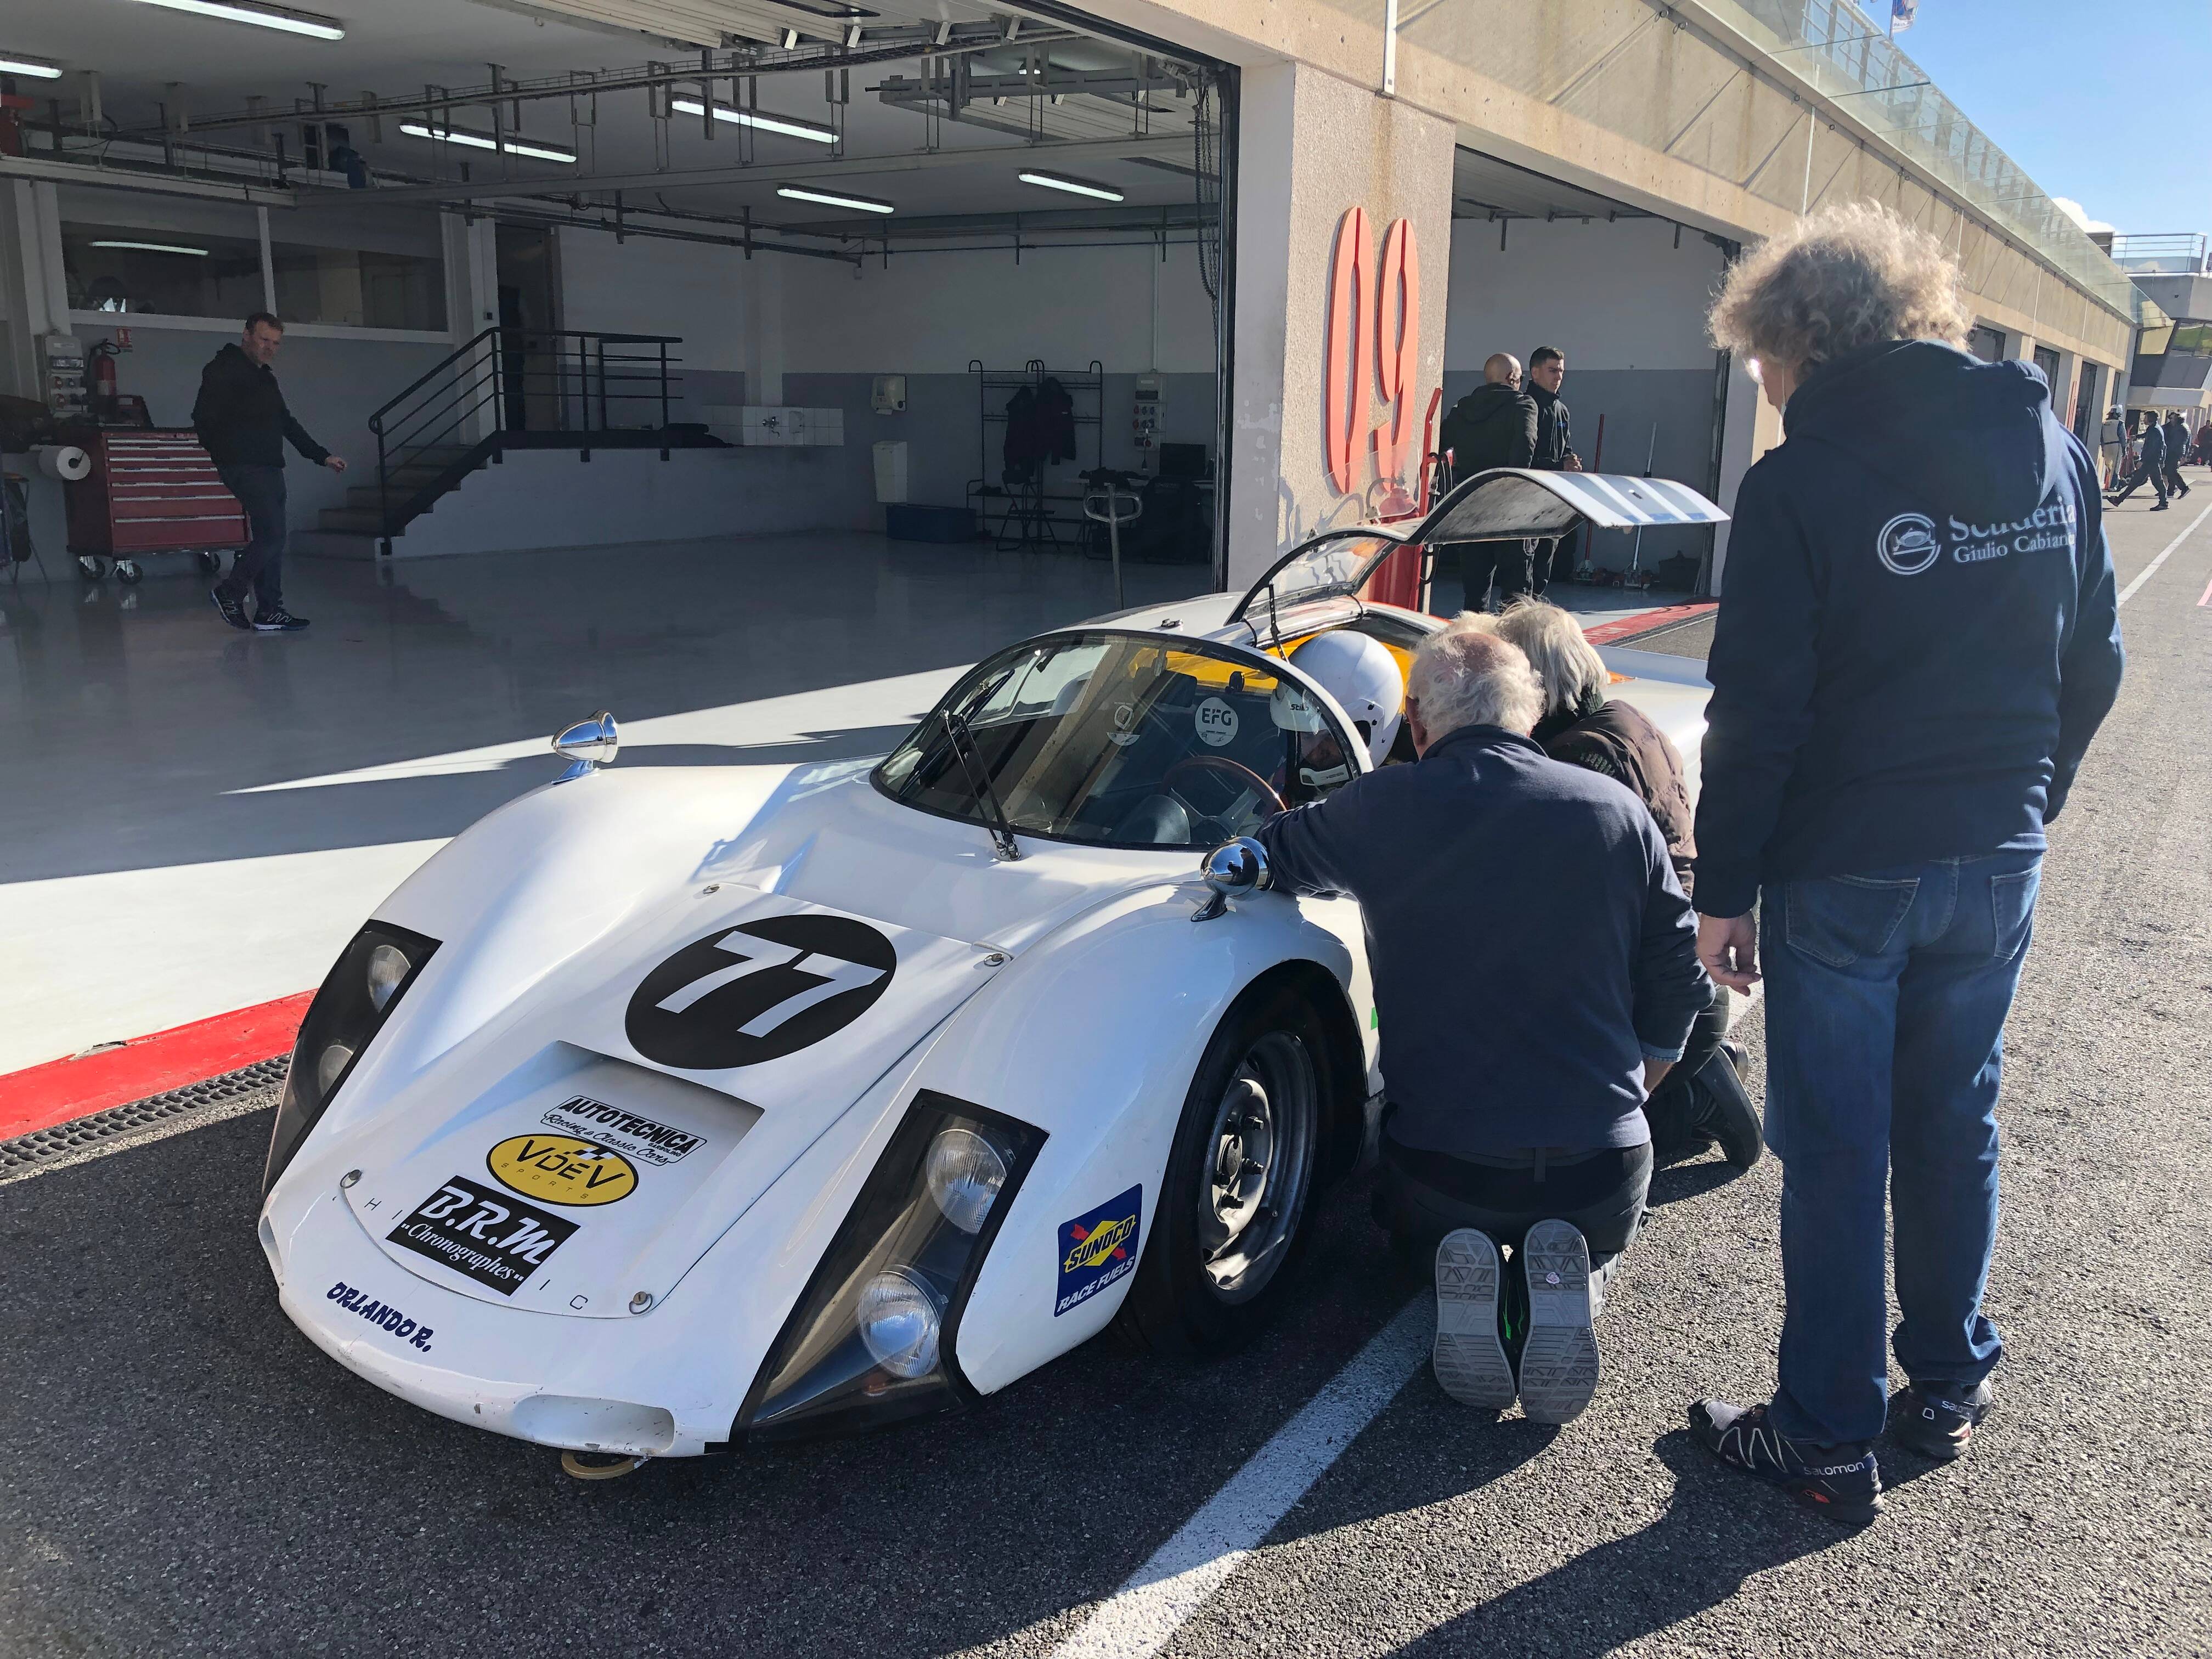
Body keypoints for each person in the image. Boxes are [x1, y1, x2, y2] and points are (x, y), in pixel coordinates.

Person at [1692, 201, 2123, 1525]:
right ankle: (1945, 1380)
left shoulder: (1798, 483)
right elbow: (2096, 660)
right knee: (1953, 1119)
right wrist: (2031, 797)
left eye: (1764, 365)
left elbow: (1758, 711)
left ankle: (1826, 1438)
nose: (1766, 393)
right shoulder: (2050, 447)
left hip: (1847, 866)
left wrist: (1723, 890)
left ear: (1807, 342)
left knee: (1837, 1148)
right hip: (1996, 850)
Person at [1252, 616, 1708, 1425]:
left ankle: (1456, 1273)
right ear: (1531, 712)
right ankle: (1576, 1277)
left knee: (1411, 1219)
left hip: (1445, 1171)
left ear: (1417, 721)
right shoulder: (1616, 812)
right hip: (1601, 1169)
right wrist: (1635, 1092)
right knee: (1588, 1221)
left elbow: (1274, 851)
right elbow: (1681, 979)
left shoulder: (1381, 806)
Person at [1491, 599, 1762, 1169]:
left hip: (1652, 999)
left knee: (1573, 1150)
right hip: (1679, 974)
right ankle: (1693, 1073)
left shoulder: (1575, 765)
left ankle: (1694, 1101)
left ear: (1532, 682)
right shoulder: (1624, 721)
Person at [194, 312, 346, 631]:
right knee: (273, 536)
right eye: (264, 340)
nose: (270, 348)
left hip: (270, 466)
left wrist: (322, 456)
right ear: (246, 334)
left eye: (276, 343)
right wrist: (226, 455)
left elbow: (286, 423)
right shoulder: (223, 370)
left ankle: (269, 610)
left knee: (273, 538)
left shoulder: (265, 378)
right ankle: (230, 592)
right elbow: (203, 419)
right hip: (244, 466)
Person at [1437, 353, 1540, 611]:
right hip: (1510, 508)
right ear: (1511, 377)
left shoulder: (1463, 409)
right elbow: (1524, 450)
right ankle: (1513, 636)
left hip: (1471, 503)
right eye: (1520, 378)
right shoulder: (1523, 405)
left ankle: (1474, 633)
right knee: (1516, 594)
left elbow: (1441, 444)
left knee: (1475, 590)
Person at [1525, 348, 1585, 594]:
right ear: (1535, 372)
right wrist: (1559, 466)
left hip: (1553, 499)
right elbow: (1523, 459)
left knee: (1545, 562)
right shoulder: (1525, 407)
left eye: (1561, 371)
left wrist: (1571, 462)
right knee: (1523, 564)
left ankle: (1535, 604)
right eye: (1552, 370)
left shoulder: (1562, 410)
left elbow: (1565, 448)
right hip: (1527, 497)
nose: (1558, 376)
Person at [2106, 413, 2168, 509]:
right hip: (2152, 461)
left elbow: (2152, 448)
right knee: (2137, 482)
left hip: (2151, 461)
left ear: (2150, 419)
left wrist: (2142, 461)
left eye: (2146, 418)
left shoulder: (2155, 430)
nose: (2144, 419)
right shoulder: (2154, 428)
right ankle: (2118, 500)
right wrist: (2136, 437)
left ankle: (2164, 503)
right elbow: (2148, 436)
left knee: (2155, 482)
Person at [2161, 411, 2192, 498]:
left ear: (2176, 418)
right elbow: (2187, 443)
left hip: (2174, 452)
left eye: (2172, 418)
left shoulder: (2180, 428)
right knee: (2169, 471)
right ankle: (2171, 491)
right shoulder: (2180, 426)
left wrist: (2184, 455)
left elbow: (2176, 442)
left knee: (2171, 471)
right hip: (2176, 452)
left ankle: (2184, 488)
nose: (2170, 420)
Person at [2097, 407, 2126, 489]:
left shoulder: (2104, 424)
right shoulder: (2119, 423)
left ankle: (2110, 483)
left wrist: (2103, 448)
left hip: (2106, 446)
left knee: (2109, 467)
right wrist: (2124, 449)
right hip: (2116, 445)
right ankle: (2113, 486)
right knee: (2115, 468)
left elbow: (2102, 438)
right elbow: (2123, 437)